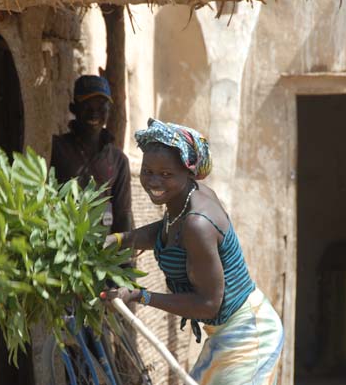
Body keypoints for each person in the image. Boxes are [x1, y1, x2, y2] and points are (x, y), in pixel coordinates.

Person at [101, 118, 284, 385]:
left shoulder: (198, 223)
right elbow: (166, 231)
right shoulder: (183, 201)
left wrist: (141, 296)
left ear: (188, 172)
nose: (154, 181)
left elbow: (209, 304)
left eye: (166, 175)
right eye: (148, 171)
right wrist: (118, 239)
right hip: (226, 332)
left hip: (249, 336)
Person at [51, 75, 133, 234]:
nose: (94, 113)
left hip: (101, 252)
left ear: (109, 110)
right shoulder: (57, 149)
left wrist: (125, 257)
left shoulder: (117, 160)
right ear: (73, 108)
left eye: (101, 106)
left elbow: (123, 215)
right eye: (87, 105)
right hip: (61, 246)